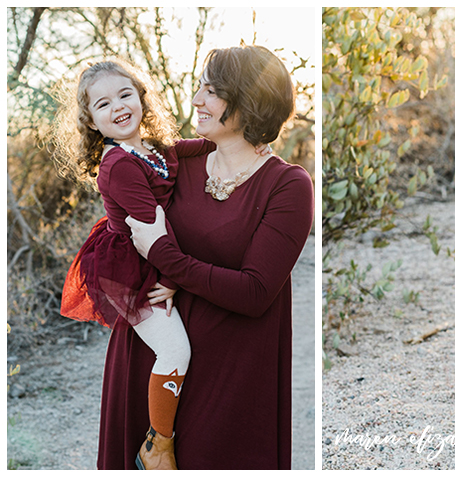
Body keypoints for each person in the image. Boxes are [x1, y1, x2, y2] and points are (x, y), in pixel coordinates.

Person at [101, 45, 312, 469]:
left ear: (250, 100)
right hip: (154, 356)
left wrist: (166, 256)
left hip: (232, 368)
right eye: (200, 87)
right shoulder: (177, 160)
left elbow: (255, 292)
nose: (197, 99)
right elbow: (121, 206)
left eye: (212, 91)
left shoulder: (288, 186)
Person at [53, 58, 250, 469]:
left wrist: (243, 143)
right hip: (129, 263)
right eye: (103, 104)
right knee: (175, 349)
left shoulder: (151, 147)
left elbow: (192, 150)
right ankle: (158, 444)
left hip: (153, 249)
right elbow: (149, 230)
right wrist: (176, 278)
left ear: (142, 98)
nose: (118, 107)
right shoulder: (119, 165)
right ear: (90, 120)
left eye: (126, 94)